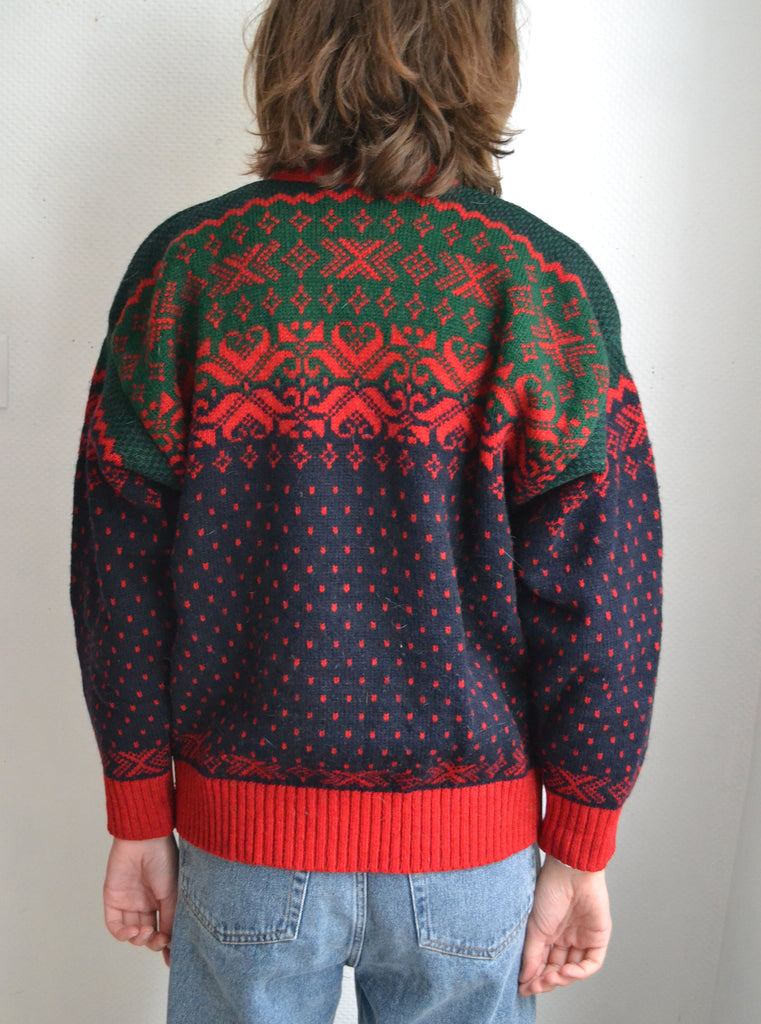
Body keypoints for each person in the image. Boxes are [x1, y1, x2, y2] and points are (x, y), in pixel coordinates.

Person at [70, 1, 662, 1020]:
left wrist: (136, 811)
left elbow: (116, 576)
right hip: (468, 859)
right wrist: (579, 844)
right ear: (482, 56)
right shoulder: (540, 282)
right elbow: (607, 598)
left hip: (242, 850)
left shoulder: (188, 267)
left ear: (288, 49)